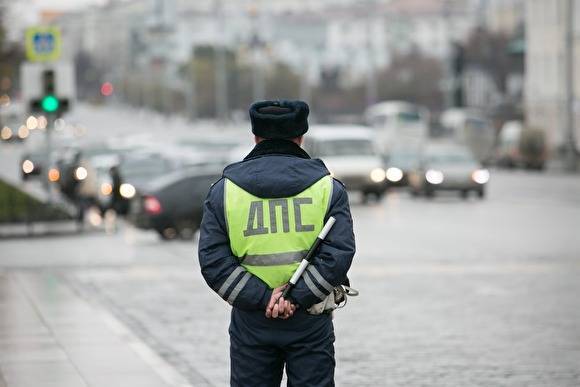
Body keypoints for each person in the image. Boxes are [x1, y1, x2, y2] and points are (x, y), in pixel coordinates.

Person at [198, 100, 356, 386]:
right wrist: (295, 298)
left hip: (252, 320)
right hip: (309, 318)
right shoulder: (328, 188)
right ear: (300, 137)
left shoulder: (225, 191)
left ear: (256, 137)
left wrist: (262, 298)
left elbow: (213, 259)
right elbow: (338, 253)